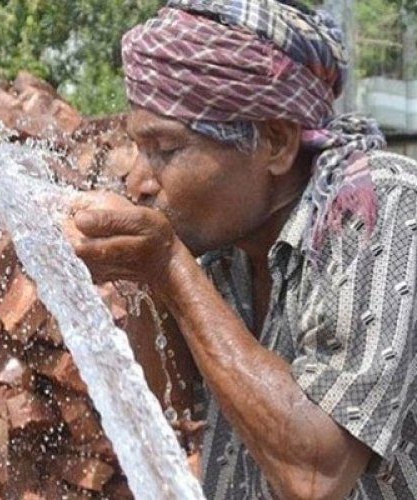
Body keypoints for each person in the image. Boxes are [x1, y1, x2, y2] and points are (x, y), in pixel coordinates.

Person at [67, 1, 417, 498]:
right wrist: (136, 271)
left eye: (165, 150)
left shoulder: (379, 206)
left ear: (274, 141)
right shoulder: (222, 240)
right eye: (138, 149)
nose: (139, 180)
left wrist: (166, 266)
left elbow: (317, 476)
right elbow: (167, 398)